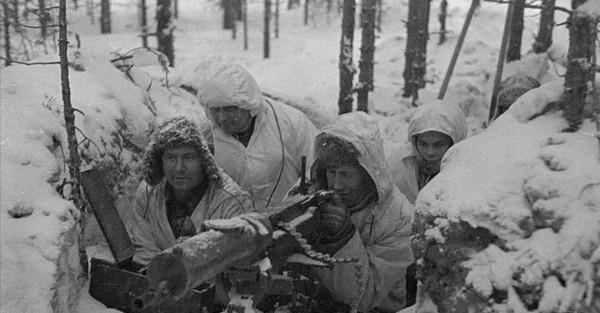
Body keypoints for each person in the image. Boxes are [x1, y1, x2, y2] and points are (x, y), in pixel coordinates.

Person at [296, 112, 414, 313]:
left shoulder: (398, 217)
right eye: (331, 173)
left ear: (367, 174)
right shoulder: (309, 193)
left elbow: (365, 297)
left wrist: (342, 238)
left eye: (346, 174)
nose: (336, 184)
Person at [129, 116, 254, 265]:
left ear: (205, 161)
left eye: (189, 157)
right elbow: (144, 252)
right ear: (159, 160)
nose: (179, 168)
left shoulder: (232, 202)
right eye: (170, 157)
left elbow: (238, 263)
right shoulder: (147, 193)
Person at [195, 61, 318, 211]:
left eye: (229, 109)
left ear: (248, 105)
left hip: (291, 217)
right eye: (215, 110)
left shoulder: (291, 122)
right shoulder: (205, 134)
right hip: (234, 226)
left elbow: (316, 166)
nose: (221, 118)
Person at [390, 100, 468, 204]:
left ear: (454, 143)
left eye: (439, 145)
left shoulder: (467, 171)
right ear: (414, 142)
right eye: (423, 144)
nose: (430, 152)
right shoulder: (398, 166)